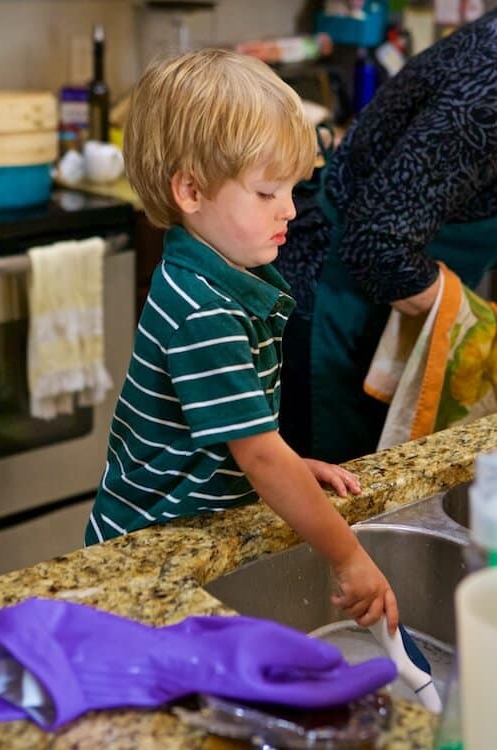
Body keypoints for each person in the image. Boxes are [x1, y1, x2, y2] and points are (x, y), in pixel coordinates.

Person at [85, 48, 398, 632]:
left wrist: (291, 464)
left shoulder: (223, 273)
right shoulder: (203, 309)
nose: (289, 210)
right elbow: (256, 454)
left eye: (292, 189)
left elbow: (231, 436)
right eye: (265, 193)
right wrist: (348, 556)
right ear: (191, 191)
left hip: (185, 534)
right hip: (145, 561)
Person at [276, 9, 497, 464]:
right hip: (336, 305)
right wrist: (478, 329)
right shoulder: (488, 87)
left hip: (378, 307)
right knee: (332, 505)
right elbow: (377, 246)